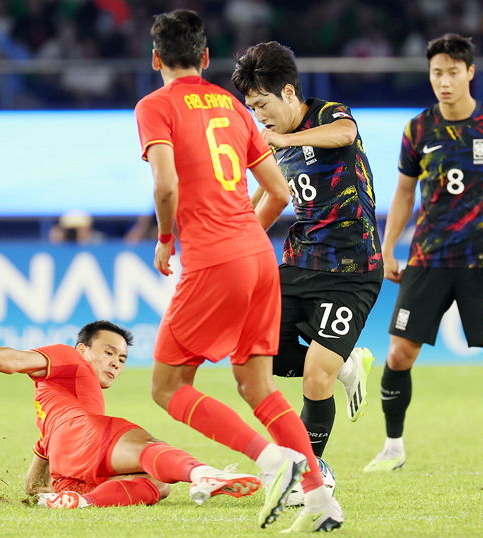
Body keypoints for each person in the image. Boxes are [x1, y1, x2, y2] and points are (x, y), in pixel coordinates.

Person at [134, 10, 342, 532]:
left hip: (212, 258)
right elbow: (279, 191)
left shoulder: (155, 107)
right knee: (257, 386)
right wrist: (241, 235)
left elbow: (165, 186)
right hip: (258, 256)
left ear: (156, 58)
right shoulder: (230, 104)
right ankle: (320, 500)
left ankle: (274, 461)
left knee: (167, 386)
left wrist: (164, 240)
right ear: (205, 58)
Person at [364, 33, 483, 474]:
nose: (444, 81)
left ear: (470, 73)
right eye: (437, 73)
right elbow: (403, 193)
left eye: (452, 73)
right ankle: (392, 448)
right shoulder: (417, 129)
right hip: (428, 258)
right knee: (399, 354)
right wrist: (387, 247)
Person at [231, 41, 383, 503]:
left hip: (352, 269)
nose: (260, 117)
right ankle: (346, 362)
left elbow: (344, 134)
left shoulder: (327, 115)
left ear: (290, 92)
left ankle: (310, 469)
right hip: (298, 265)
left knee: (316, 375)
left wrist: (284, 140)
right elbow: (269, 200)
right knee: (252, 354)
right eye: (252, 109)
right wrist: (234, 245)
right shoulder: (275, 148)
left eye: (262, 106)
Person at [0, 321, 262, 509]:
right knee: (146, 446)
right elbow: (17, 359)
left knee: (156, 483)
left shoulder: (58, 403)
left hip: (68, 470)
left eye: (122, 358)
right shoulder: (68, 358)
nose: (116, 363)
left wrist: (40, 490)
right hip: (82, 438)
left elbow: (34, 483)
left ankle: (83, 502)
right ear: (82, 349)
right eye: (108, 352)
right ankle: (201, 474)